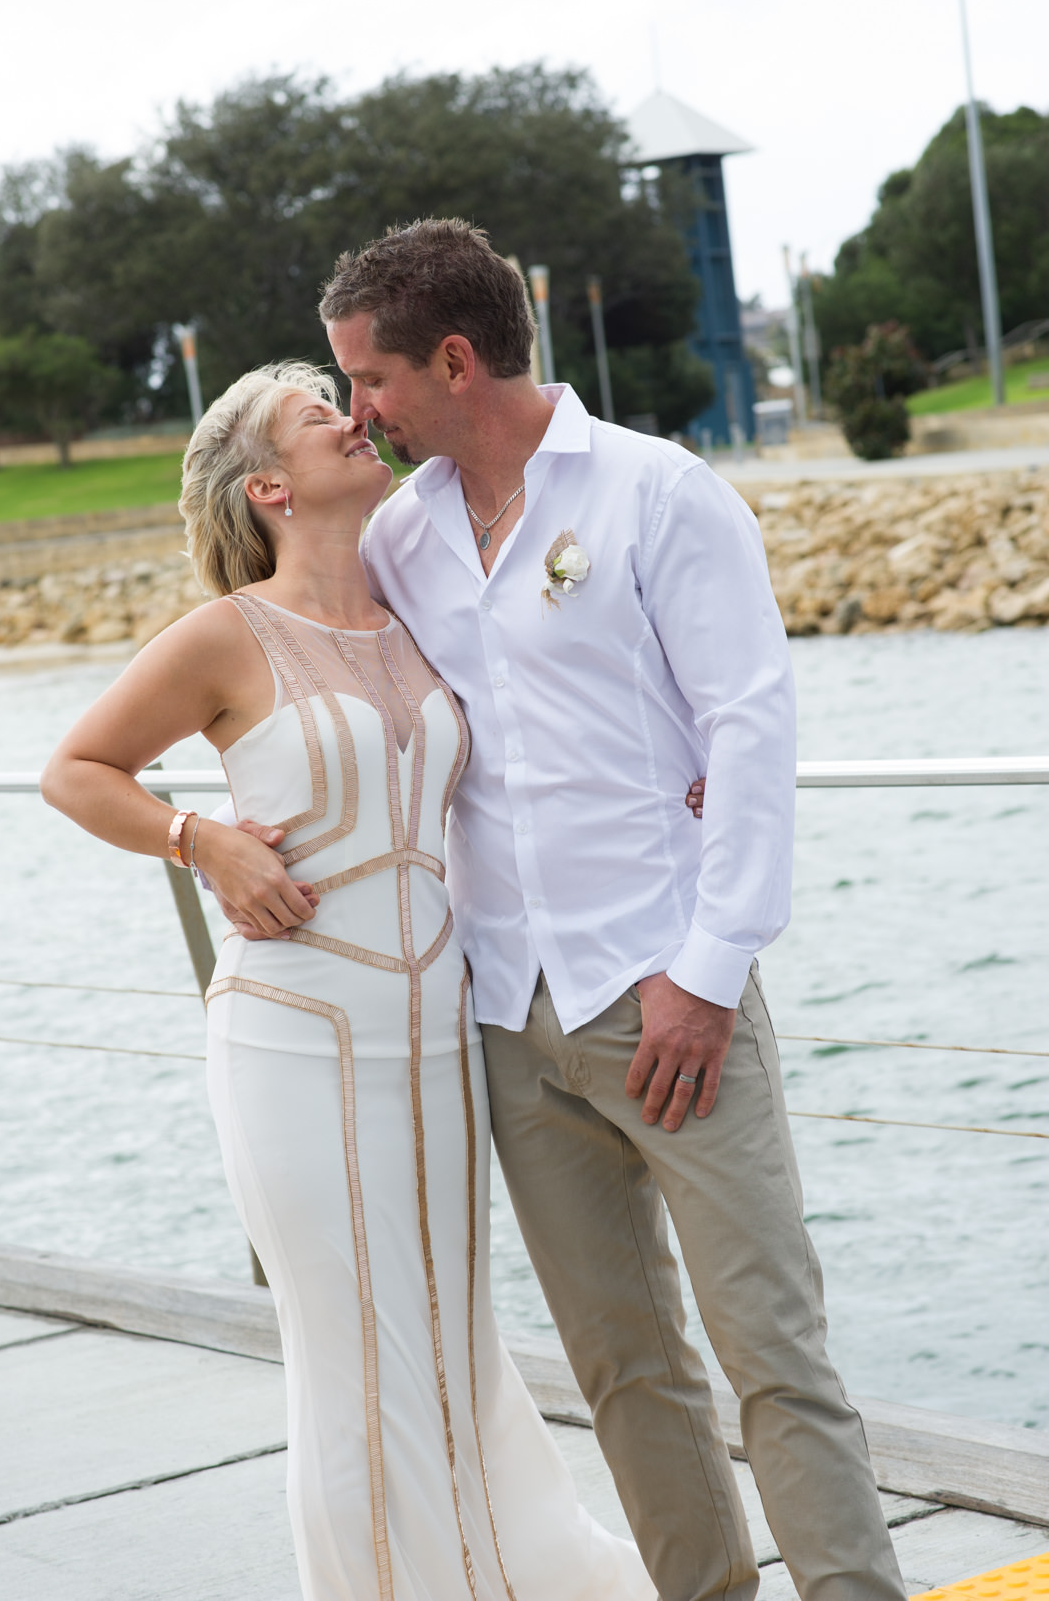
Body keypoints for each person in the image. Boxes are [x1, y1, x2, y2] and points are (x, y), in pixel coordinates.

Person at [222, 220, 907, 1601]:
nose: (360, 410)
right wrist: (225, 824)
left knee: (772, 1348)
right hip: (506, 1022)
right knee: (624, 1367)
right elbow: (324, 676)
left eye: (370, 378)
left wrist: (707, 973)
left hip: (670, 998)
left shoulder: (661, 492)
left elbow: (751, 729)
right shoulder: (404, 534)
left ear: (454, 360)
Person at [40, 362, 655, 1601]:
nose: (352, 418)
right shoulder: (228, 632)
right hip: (293, 1028)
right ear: (268, 487)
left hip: (437, 1033)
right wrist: (197, 840)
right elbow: (76, 769)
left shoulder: (420, 603)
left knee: (447, 1334)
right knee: (348, 1355)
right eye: (319, 415)